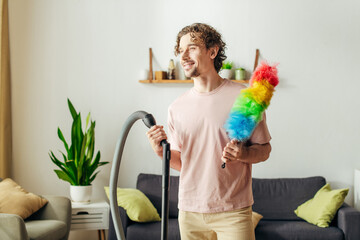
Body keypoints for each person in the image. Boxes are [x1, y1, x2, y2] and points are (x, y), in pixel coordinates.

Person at [146, 23, 272, 240]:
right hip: (190, 212)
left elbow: (264, 149)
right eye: (180, 50)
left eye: (192, 47)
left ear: (212, 51)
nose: (183, 55)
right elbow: (184, 163)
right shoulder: (176, 107)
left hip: (233, 211)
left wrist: (243, 154)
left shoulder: (245, 98)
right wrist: (160, 153)